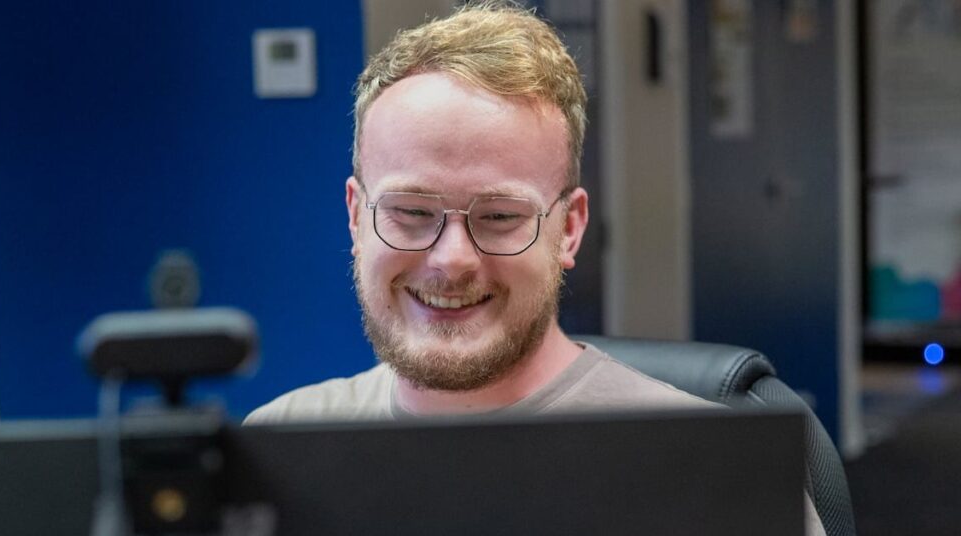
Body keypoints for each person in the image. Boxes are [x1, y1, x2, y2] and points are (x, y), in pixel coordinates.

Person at [245, 3, 825, 534]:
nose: (451, 260)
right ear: (355, 218)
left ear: (568, 228)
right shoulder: (272, 455)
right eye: (412, 212)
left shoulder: (712, 473)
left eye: (499, 216)